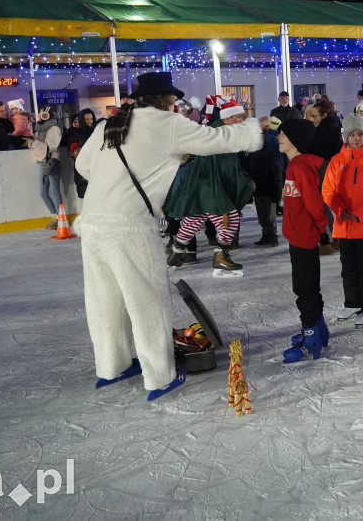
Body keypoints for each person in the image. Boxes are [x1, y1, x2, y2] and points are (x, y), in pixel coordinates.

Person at [75, 72, 261, 400]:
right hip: (129, 227)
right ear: (167, 99)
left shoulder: (111, 123)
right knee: (148, 301)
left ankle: (111, 367)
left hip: (92, 224)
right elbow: (218, 141)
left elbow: (84, 168)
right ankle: (160, 376)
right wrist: (251, 128)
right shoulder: (168, 124)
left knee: (104, 299)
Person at [166, 97, 256, 272]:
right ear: (228, 118)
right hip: (211, 187)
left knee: (195, 217)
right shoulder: (219, 133)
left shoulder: (218, 131)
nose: (240, 121)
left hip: (202, 185)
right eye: (238, 117)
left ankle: (176, 252)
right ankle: (221, 256)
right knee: (229, 219)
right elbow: (221, 167)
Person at [322, 114, 363, 327]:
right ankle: (352, 303)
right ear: (345, 137)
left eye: (361, 134)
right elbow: (328, 190)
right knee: (348, 267)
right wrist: (339, 209)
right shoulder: (337, 161)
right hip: (344, 226)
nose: (357, 138)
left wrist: (361, 213)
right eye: (352, 134)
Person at [277, 118, 330, 363]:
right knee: (309, 286)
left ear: (295, 140)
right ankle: (319, 330)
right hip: (297, 234)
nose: (278, 137)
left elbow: (314, 202)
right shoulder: (295, 164)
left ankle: (311, 341)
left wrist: (321, 230)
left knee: (304, 288)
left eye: (283, 134)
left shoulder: (300, 166)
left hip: (304, 236)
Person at [245, 116, 284, 246]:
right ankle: (266, 234)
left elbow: (277, 175)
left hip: (268, 190)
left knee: (270, 215)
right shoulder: (252, 157)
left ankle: (272, 235)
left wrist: (277, 193)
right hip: (259, 190)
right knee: (262, 215)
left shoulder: (270, 156)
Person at [30, 107, 64, 229]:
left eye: (41, 113)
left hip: (52, 160)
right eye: (39, 112)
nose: (39, 115)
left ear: (46, 114)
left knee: (54, 190)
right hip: (42, 161)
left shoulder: (54, 128)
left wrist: (33, 144)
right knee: (43, 193)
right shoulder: (39, 128)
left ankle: (59, 219)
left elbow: (52, 146)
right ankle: (54, 216)